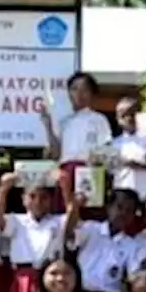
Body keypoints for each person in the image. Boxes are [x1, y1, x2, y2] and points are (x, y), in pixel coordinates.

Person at [67, 186, 146, 292]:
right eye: (119, 207)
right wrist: (75, 207)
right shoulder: (91, 229)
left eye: (129, 211)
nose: (123, 213)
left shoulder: (131, 245)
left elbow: (135, 273)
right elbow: (70, 237)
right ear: (109, 207)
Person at [39, 72, 113, 216]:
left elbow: (106, 151)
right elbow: (55, 154)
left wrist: (95, 163)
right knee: (63, 216)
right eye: (74, 89)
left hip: (89, 172)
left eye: (84, 89)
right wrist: (47, 126)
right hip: (66, 173)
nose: (79, 94)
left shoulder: (99, 120)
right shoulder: (64, 122)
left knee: (88, 216)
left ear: (92, 94)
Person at [0, 171, 65, 292]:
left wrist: (65, 187)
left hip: (49, 276)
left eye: (44, 197)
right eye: (32, 196)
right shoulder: (17, 220)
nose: (38, 201)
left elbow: (72, 221)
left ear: (51, 200)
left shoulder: (57, 221)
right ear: (23, 199)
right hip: (23, 277)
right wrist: (3, 189)